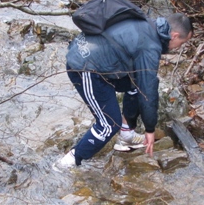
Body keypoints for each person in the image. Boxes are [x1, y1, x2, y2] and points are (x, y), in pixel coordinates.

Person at [55, 11, 194, 169]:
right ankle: (67, 163)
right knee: (109, 124)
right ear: (175, 35)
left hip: (98, 61)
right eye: (182, 43)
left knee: (137, 81)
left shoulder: (147, 24)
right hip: (84, 66)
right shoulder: (150, 46)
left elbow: (144, 82)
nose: (178, 48)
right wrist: (150, 129)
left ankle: (126, 135)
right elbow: (147, 93)